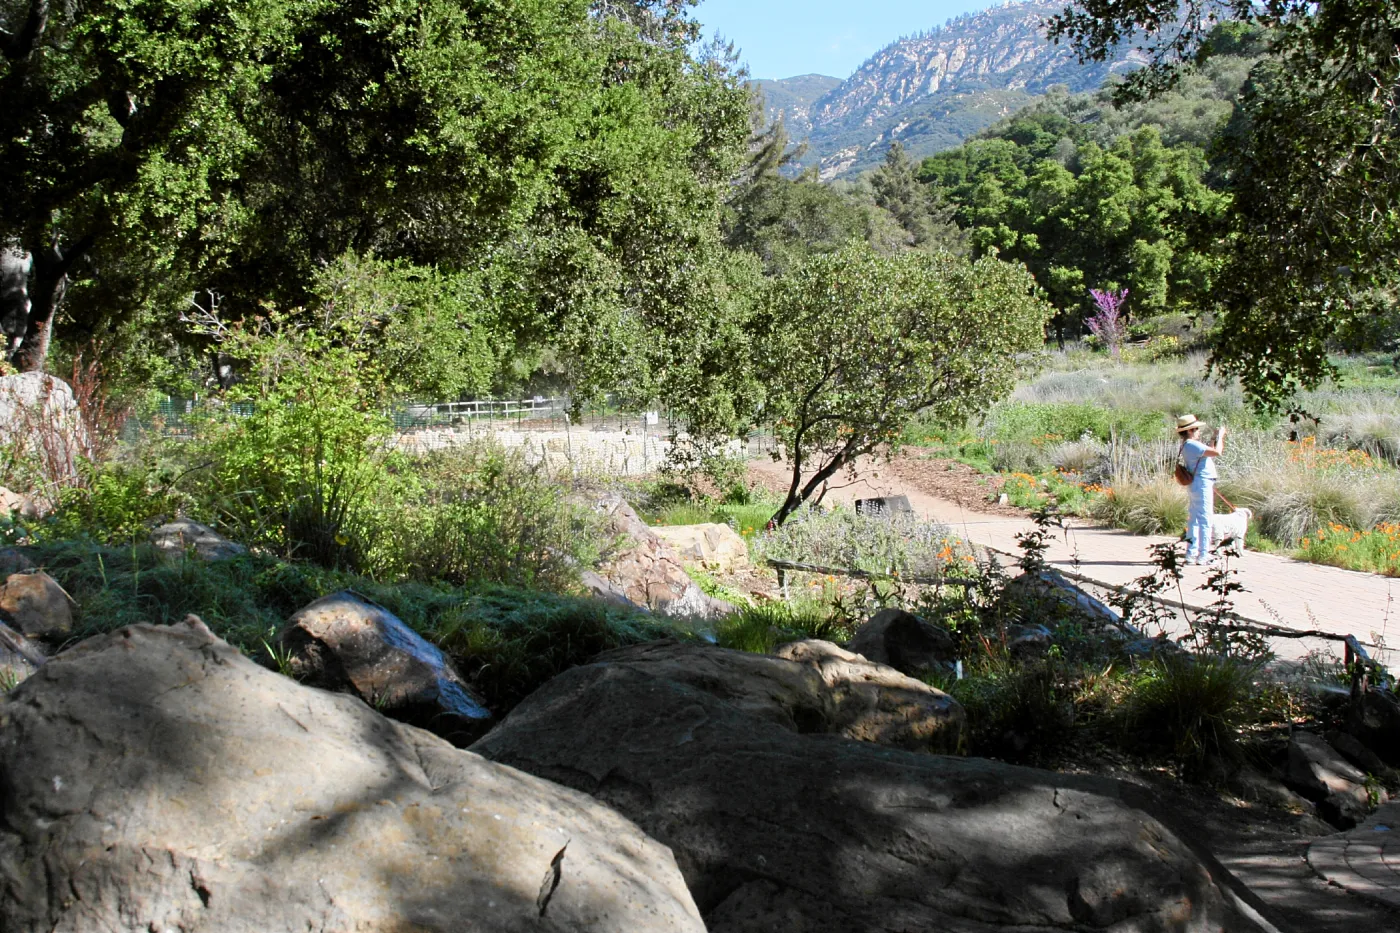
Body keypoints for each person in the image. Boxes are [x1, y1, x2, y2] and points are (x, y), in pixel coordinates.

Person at [1177, 414, 1226, 566]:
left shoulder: (1188, 445)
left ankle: (1191, 554)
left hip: (1196, 483)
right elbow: (1217, 452)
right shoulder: (1192, 445)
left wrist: (1214, 438)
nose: (1198, 431)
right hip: (1202, 482)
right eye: (1196, 429)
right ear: (1190, 430)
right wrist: (1222, 437)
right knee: (1205, 519)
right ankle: (1203, 554)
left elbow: (1209, 450)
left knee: (1195, 519)